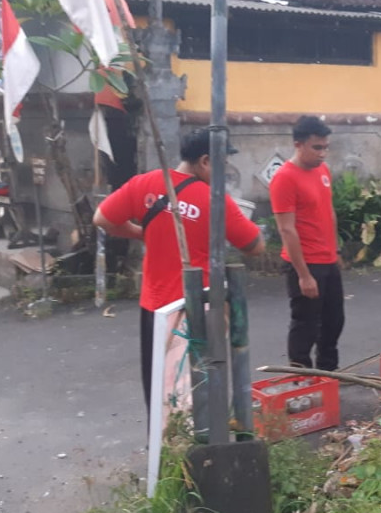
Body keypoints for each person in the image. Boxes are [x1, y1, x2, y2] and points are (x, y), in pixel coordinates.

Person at [93, 127, 264, 415]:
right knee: (199, 390)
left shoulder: (143, 184)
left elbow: (102, 218)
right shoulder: (215, 200)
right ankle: (199, 451)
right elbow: (255, 246)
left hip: (154, 309)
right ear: (206, 161)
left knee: (160, 388)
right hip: (198, 309)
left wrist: (142, 233)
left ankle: (162, 453)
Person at [270, 115, 344, 370]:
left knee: (334, 320)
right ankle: (299, 376)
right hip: (304, 262)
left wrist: (335, 249)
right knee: (306, 324)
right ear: (298, 144)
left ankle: (329, 373)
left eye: (326, 147)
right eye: (317, 148)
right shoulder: (285, 178)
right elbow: (286, 229)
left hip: (327, 259)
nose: (323, 154)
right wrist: (303, 275)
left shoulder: (322, 170)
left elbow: (329, 211)